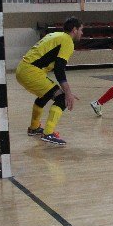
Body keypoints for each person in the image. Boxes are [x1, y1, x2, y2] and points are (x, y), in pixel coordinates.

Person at [15, 17, 83, 145]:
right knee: (62, 98)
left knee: (46, 95)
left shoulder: (55, 35)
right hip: (31, 72)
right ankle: (48, 133)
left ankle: (34, 128)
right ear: (74, 30)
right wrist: (67, 93)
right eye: (81, 30)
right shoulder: (67, 41)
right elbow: (59, 69)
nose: (82, 33)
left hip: (23, 69)